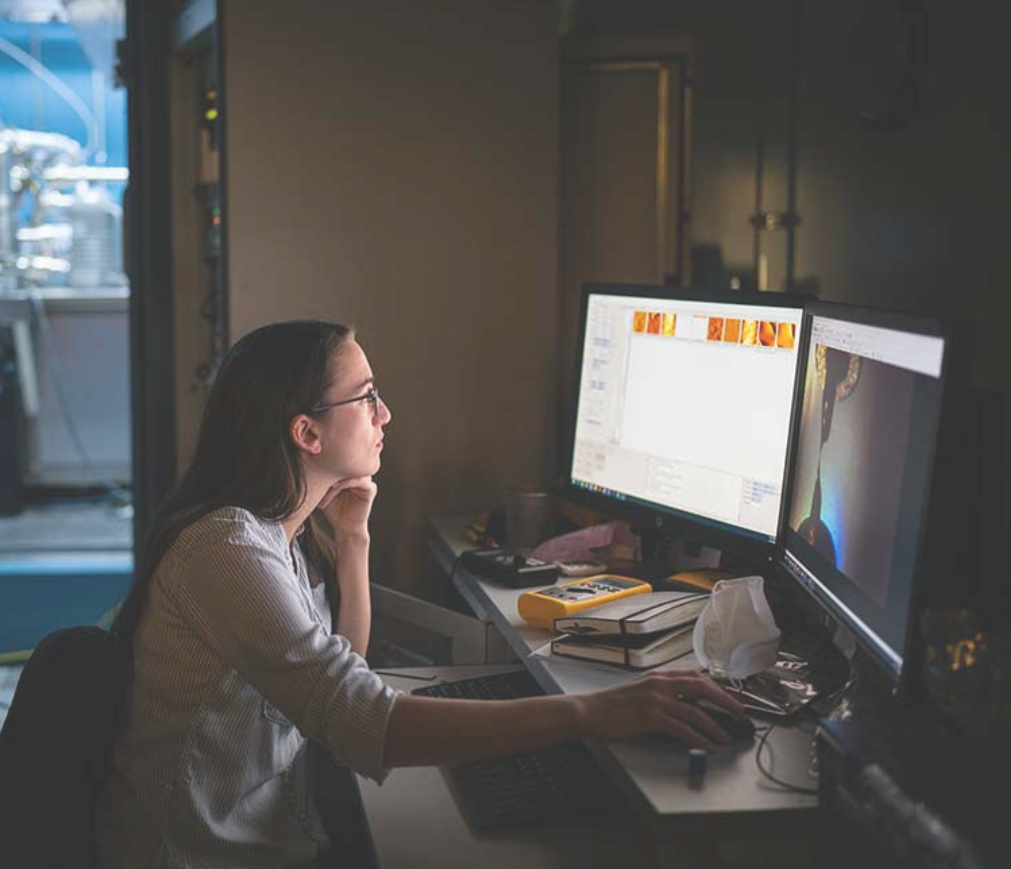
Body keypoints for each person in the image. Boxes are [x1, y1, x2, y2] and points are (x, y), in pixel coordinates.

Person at [97, 321, 743, 868]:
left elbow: (337, 674)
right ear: (307, 433)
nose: (385, 415)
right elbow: (361, 723)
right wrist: (590, 714)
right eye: (367, 397)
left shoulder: (275, 533)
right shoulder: (228, 552)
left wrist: (353, 539)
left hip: (272, 833)